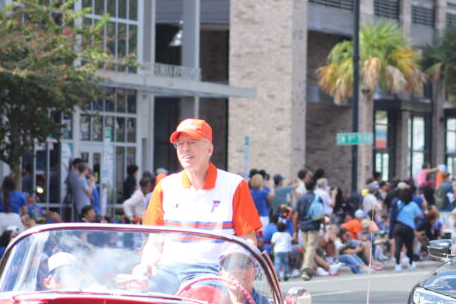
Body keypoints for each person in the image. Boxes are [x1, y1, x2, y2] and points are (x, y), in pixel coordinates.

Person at [134, 118, 262, 291]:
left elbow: (248, 239)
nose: (185, 149)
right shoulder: (165, 186)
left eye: (192, 143)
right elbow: (155, 242)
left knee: (198, 301)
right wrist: (146, 264)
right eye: (180, 144)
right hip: (167, 271)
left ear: (209, 149)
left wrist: (234, 266)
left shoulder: (234, 185)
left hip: (211, 272)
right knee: (138, 296)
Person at [293, 178, 323, 281]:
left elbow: (296, 215)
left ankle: (309, 269)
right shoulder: (317, 198)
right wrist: (324, 224)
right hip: (314, 225)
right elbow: (321, 213)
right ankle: (306, 269)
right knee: (310, 247)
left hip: (303, 226)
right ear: (314, 187)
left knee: (308, 248)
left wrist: (295, 230)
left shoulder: (300, 199)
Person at [392, 186, 423, 271]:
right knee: (409, 246)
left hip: (398, 226)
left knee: (398, 246)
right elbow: (419, 216)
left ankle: (398, 265)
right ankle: (410, 263)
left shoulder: (398, 203)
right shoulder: (413, 205)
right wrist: (413, 219)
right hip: (409, 227)